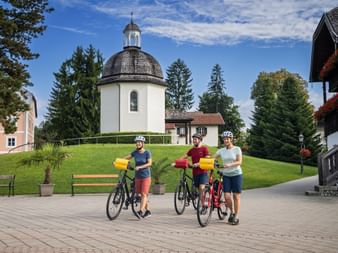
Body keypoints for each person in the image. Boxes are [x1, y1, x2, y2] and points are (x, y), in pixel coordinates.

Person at [214, 131, 242, 225]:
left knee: (236, 196)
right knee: (226, 196)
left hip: (236, 174)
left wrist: (230, 164)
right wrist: (207, 160)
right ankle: (232, 212)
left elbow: (239, 162)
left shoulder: (237, 149)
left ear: (231, 139)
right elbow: (213, 158)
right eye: (224, 139)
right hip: (226, 175)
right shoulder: (221, 150)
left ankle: (236, 216)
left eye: (227, 138)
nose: (226, 140)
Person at [123, 136, 152, 219]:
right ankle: (148, 211)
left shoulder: (147, 152)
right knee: (141, 194)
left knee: (143, 194)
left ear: (143, 143)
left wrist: (140, 167)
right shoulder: (135, 152)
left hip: (146, 176)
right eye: (137, 142)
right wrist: (118, 160)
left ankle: (140, 211)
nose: (138, 143)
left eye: (139, 142)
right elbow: (127, 157)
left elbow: (149, 163)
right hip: (138, 176)